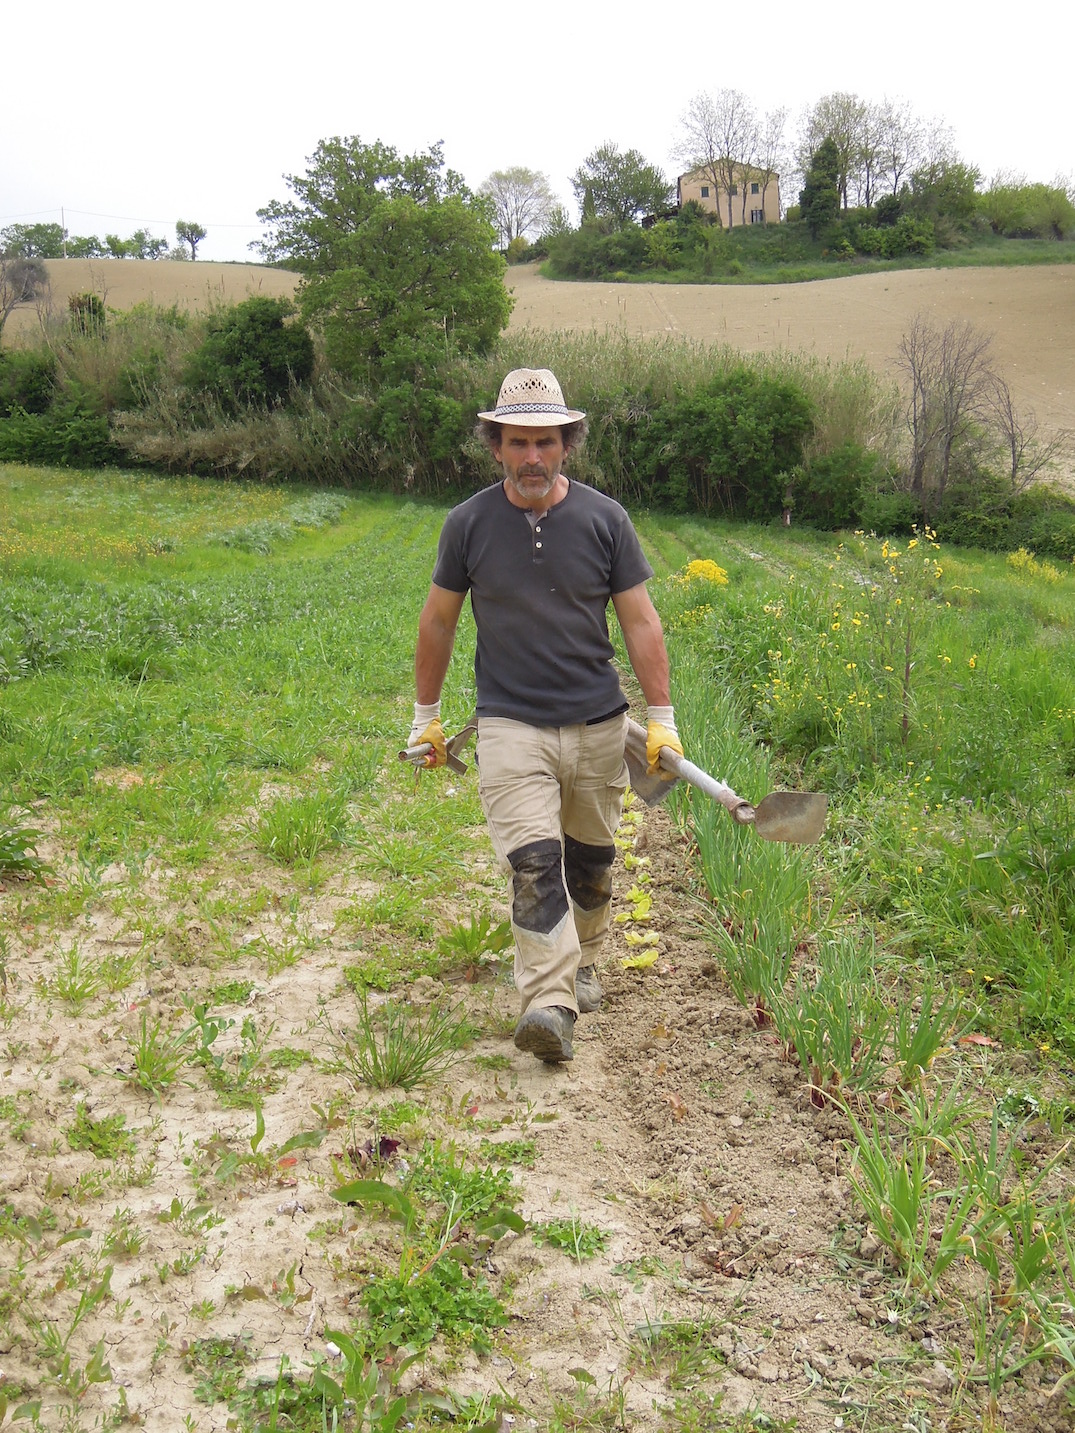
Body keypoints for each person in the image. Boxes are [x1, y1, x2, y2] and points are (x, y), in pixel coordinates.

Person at [408, 368, 683, 1065]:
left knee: (589, 864)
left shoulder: (605, 520)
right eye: (518, 442)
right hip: (510, 724)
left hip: (597, 723)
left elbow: (641, 622)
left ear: (567, 443)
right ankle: (550, 1002)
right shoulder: (468, 524)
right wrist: (425, 716)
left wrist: (662, 717)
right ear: (495, 445)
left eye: (546, 442)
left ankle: (583, 960)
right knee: (534, 863)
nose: (532, 457)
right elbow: (438, 621)